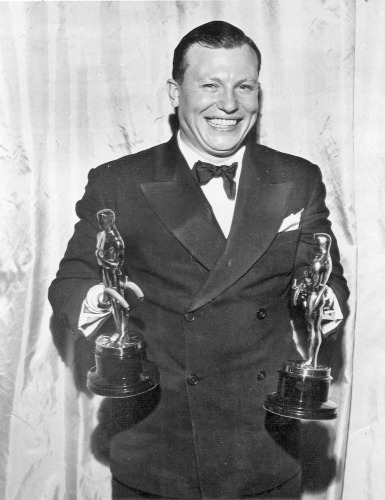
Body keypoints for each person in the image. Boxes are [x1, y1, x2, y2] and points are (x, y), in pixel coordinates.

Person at [49, 21, 349, 499]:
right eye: (210, 84)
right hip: (158, 446)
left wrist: (324, 302)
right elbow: (70, 281)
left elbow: (326, 276)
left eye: (243, 86)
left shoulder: (298, 178)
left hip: (265, 446)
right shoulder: (119, 182)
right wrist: (98, 299)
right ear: (175, 91)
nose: (228, 104)